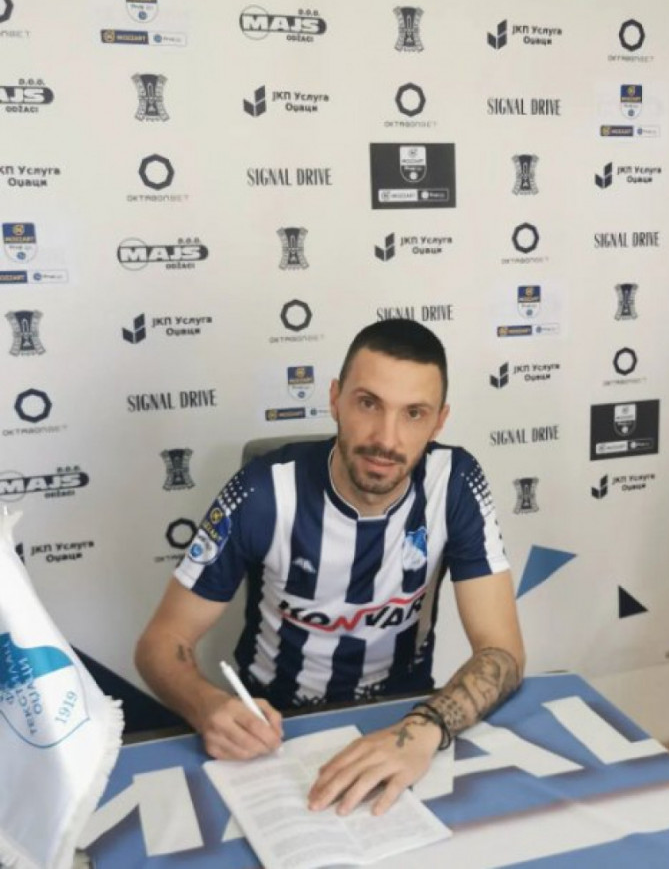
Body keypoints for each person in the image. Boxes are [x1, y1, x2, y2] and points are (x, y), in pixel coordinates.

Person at [135, 318, 525, 816]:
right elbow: (160, 643)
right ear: (336, 399)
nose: (386, 438)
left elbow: (503, 653)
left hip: (403, 721)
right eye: (368, 403)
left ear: (438, 422)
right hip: (273, 731)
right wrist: (206, 706)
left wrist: (423, 729)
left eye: (413, 414)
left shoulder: (456, 483)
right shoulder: (261, 490)